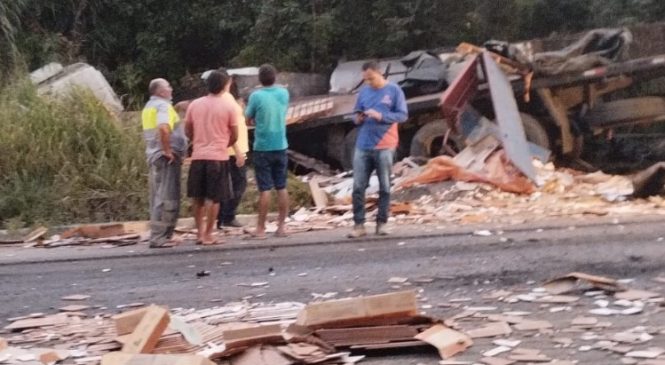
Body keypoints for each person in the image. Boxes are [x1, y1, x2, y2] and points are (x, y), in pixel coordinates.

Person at [348, 61, 408, 238]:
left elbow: (403, 115)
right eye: (365, 80)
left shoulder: (394, 90)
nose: (368, 83)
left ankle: (382, 223)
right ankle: (359, 225)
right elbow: (355, 113)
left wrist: (381, 116)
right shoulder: (364, 92)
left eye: (371, 79)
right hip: (363, 144)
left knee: (385, 186)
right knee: (358, 186)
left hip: (385, 144)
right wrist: (357, 119)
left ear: (379, 73)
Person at [185, 70, 238, 245]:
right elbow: (235, 134)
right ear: (224, 86)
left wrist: (197, 140)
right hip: (218, 156)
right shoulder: (229, 106)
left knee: (198, 197)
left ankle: (199, 233)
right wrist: (224, 143)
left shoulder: (194, 105)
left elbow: (188, 130)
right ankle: (209, 233)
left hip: (198, 155)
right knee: (214, 198)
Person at [245, 64, 290, 239]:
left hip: (262, 146)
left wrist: (256, 121)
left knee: (264, 188)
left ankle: (261, 229)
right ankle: (281, 227)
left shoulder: (256, 96)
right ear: (275, 77)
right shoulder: (284, 94)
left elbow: (248, 119)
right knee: (282, 186)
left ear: (259, 79)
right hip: (281, 144)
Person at [142, 78, 188, 248]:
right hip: (165, 157)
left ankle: (164, 235)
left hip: (155, 155)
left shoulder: (150, 106)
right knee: (166, 197)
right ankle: (159, 237)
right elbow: (163, 127)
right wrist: (168, 150)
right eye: (168, 86)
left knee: (158, 196)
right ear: (160, 92)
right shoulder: (162, 106)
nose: (171, 88)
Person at [217, 74, 249, 228]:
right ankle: (227, 216)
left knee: (227, 184)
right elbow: (229, 128)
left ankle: (222, 216)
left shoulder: (225, 99)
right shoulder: (226, 100)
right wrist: (237, 150)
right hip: (233, 149)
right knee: (239, 182)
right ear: (227, 82)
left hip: (228, 148)